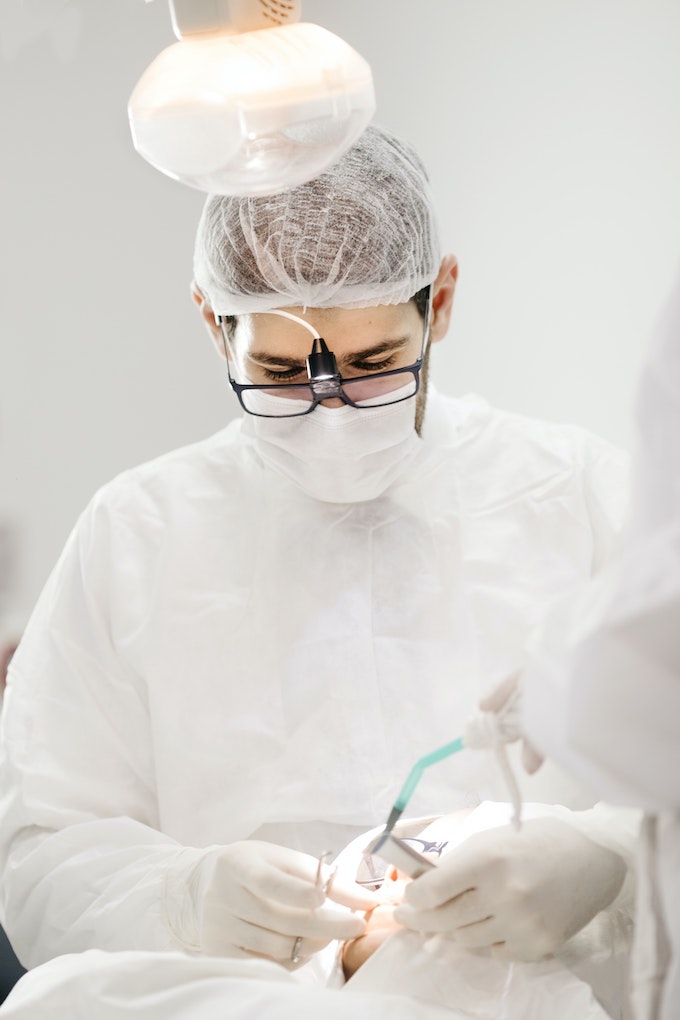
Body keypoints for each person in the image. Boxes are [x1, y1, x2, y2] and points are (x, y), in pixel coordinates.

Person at [0, 125, 635, 988]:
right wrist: (182, 895)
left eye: (374, 365)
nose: (331, 412)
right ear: (211, 322)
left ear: (439, 302)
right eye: (280, 371)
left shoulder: (586, 498)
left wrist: (607, 858)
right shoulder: (136, 533)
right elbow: (42, 846)